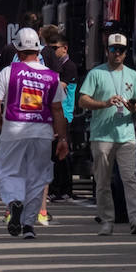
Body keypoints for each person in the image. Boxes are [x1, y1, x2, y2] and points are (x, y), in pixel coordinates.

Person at [0, 27, 68, 239]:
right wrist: (62, 138)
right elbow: (58, 110)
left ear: (17, 50)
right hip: (42, 132)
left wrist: (1, 123)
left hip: (14, 128)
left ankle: (14, 201)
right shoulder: (52, 77)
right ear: (39, 51)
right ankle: (29, 226)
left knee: (5, 172)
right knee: (37, 179)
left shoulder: (9, 71)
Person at [78, 32, 136, 236]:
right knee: (102, 181)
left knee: (130, 179)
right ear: (107, 51)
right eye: (113, 49)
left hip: (125, 135)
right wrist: (104, 103)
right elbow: (83, 100)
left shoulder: (132, 75)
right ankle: (107, 220)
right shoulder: (96, 73)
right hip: (102, 136)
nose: (117, 53)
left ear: (126, 53)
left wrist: (134, 107)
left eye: (121, 50)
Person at [43, 28, 79, 201]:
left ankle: (65, 189)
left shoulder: (69, 66)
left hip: (65, 113)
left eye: (55, 48)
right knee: (55, 153)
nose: (52, 51)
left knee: (63, 152)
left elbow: (60, 87)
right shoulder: (54, 66)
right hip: (56, 113)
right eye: (49, 48)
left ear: (65, 48)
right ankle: (56, 188)